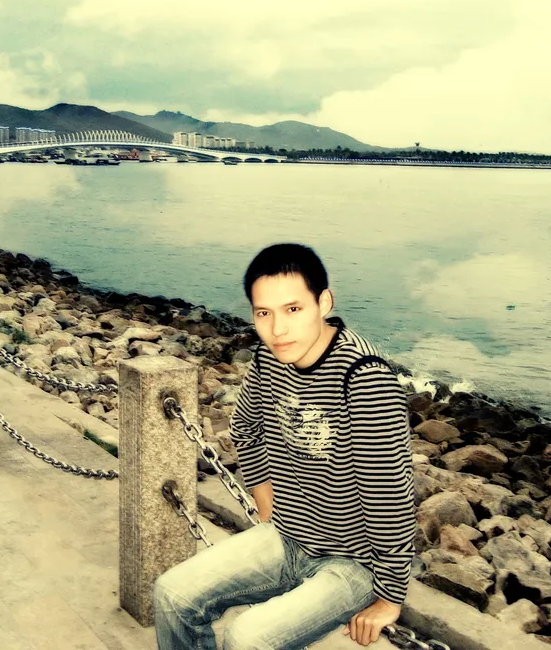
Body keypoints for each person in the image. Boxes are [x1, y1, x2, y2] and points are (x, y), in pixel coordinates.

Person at [153, 243, 416, 649]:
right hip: (287, 534)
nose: (277, 329)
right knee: (173, 595)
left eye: (293, 309)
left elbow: (388, 492)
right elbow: (246, 428)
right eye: (264, 313)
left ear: (323, 303)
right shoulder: (269, 358)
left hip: (354, 562)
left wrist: (390, 597)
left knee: (247, 638)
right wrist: (266, 506)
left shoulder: (364, 379)